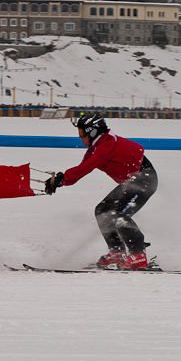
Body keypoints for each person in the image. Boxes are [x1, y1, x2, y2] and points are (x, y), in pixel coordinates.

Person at [44, 112, 157, 269]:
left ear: (93, 131)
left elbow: (86, 168)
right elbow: (80, 171)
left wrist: (61, 178)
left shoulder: (107, 145)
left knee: (118, 214)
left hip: (145, 180)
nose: (80, 137)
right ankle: (117, 252)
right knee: (102, 210)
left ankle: (138, 256)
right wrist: (59, 182)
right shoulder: (96, 148)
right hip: (132, 181)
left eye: (82, 133)